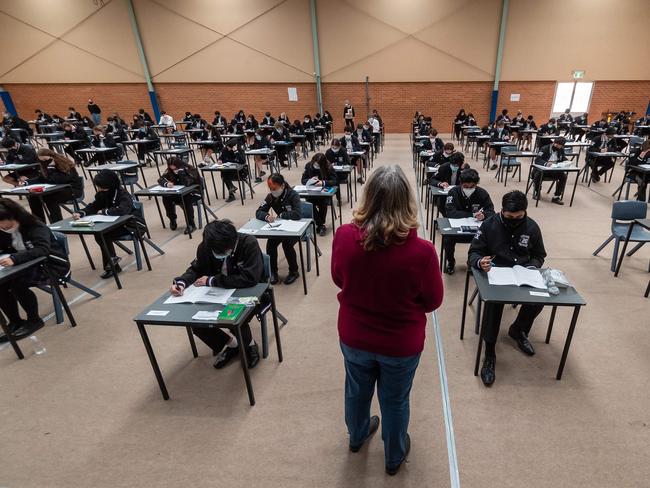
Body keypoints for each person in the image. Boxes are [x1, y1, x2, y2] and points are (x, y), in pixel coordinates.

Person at [331, 165, 443, 475]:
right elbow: (432, 301)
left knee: (356, 390)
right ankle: (393, 457)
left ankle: (357, 436)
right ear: (407, 201)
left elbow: (338, 278)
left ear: (367, 197)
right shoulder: (422, 252)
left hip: (354, 336)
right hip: (399, 345)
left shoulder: (343, 236)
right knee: (394, 401)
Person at [468, 190, 547, 387]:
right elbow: (474, 252)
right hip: (496, 273)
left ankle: (518, 330)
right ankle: (490, 351)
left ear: (525, 212)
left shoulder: (532, 227)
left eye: (518, 217)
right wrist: (480, 262)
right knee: (494, 305)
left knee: (539, 299)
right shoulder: (489, 224)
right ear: (502, 211)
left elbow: (539, 255)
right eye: (509, 217)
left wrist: (532, 266)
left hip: (523, 273)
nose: (514, 220)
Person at [170, 219, 261, 369]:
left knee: (232, 316)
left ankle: (249, 345)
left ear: (232, 242)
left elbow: (250, 278)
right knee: (195, 322)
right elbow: (196, 269)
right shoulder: (207, 247)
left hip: (248, 292)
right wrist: (181, 283)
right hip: (215, 293)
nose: (219, 254)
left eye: (223, 251)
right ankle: (233, 345)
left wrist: (212, 281)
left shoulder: (248, 243)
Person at [0, 198, 70, 340]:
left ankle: (34, 320)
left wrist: (14, 259)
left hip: (52, 265)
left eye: (6, 226)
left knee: (16, 283)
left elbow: (42, 250)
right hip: (26, 265)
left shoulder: (35, 226)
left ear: (14, 217)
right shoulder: (3, 228)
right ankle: (16, 321)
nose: (4, 229)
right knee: (1, 284)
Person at [73, 170, 145, 279]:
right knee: (99, 234)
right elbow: (94, 206)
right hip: (114, 225)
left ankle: (112, 264)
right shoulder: (102, 193)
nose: (100, 189)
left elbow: (123, 210)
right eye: (99, 187)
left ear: (110, 184)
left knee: (103, 234)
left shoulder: (123, 194)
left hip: (131, 225)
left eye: (102, 187)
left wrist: (104, 211)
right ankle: (113, 262)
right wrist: (81, 212)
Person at [442, 168, 494, 274]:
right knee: (447, 238)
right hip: (456, 229)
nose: (469, 189)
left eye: (472, 186)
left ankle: (472, 262)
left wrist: (484, 215)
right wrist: (472, 215)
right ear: (461, 184)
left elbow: (491, 212)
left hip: (475, 230)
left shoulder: (482, 193)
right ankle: (451, 262)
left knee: (488, 239)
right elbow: (451, 212)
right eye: (466, 186)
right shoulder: (453, 192)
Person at [255, 173, 301, 285]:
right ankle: (273, 272)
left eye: (274, 188)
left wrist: (281, 216)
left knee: (287, 244)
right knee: (271, 243)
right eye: (270, 189)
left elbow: (297, 214)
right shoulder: (271, 197)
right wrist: (266, 216)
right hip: (279, 228)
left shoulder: (293, 195)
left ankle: (294, 271)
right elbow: (258, 212)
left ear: (282, 186)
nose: (272, 191)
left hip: (295, 228)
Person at [19, 149, 82, 223]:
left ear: (52, 156)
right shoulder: (46, 166)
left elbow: (61, 180)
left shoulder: (65, 163)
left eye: (45, 159)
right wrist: (26, 182)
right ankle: (40, 223)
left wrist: (51, 168)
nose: (44, 162)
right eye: (41, 160)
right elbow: (41, 178)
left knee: (51, 199)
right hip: (55, 190)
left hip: (72, 189)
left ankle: (57, 223)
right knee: (34, 197)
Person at [157, 156, 200, 234]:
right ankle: (172, 219)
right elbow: (160, 179)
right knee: (166, 197)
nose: (173, 169)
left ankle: (191, 224)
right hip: (177, 193)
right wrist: (166, 184)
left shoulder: (190, 169)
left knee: (186, 199)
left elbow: (187, 183)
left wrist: (181, 173)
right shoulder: (170, 170)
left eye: (174, 167)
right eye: (170, 167)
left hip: (193, 193)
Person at [301, 153, 337, 236]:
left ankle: (320, 225)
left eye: (318, 164)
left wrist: (323, 182)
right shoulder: (308, 166)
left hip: (323, 193)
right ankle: (321, 225)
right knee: (310, 204)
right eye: (315, 163)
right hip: (311, 193)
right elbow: (303, 180)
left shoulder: (328, 167)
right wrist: (310, 180)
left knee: (323, 203)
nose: (316, 165)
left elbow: (334, 181)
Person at [532, 137, 572, 205]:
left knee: (563, 176)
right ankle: (537, 192)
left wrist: (567, 162)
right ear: (555, 143)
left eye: (561, 146)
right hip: (543, 170)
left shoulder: (561, 149)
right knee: (538, 174)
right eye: (559, 145)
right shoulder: (544, 148)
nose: (560, 147)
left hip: (554, 170)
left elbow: (562, 158)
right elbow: (537, 160)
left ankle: (556, 196)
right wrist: (546, 163)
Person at [218, 138, 248, 203]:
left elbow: (243, 161)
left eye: (229, 148)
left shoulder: (239, 150)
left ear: (234, 147)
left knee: (224, 175)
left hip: (239, 171)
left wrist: (236, 152)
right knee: (224, 173)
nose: (228, 149)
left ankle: (231, 191)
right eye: (227, 147)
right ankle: (231, 191)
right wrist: (220, 160)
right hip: (228, 170)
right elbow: (221, 157)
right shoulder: (225, 149)